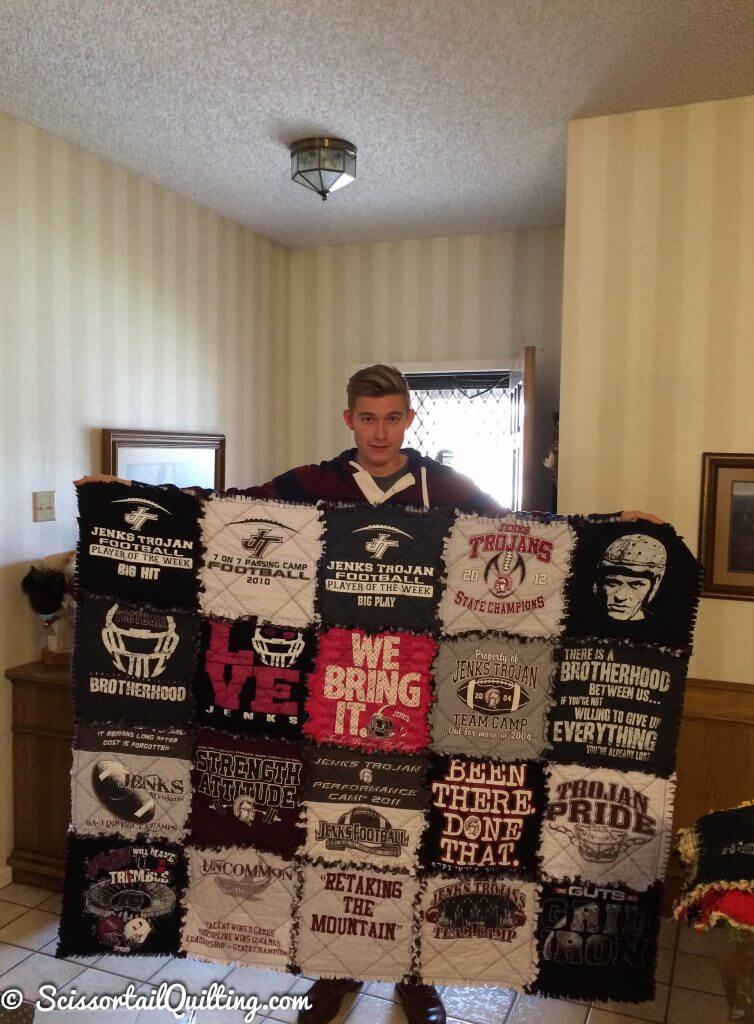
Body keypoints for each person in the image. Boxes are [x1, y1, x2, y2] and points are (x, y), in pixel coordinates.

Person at [76, 363, 660, 1024]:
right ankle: (334, 972)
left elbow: (530, 529)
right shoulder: (310, 485)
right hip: (333, 689)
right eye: (367, 418)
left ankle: (415, 977)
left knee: (416, 839)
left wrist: (614, 525)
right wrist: (124, 495)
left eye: (392, 418)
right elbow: (222, 511)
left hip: (422, 692)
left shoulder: (444, 485)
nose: (380, 432)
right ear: (348, 419)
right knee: (333, 839)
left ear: (410, 419)